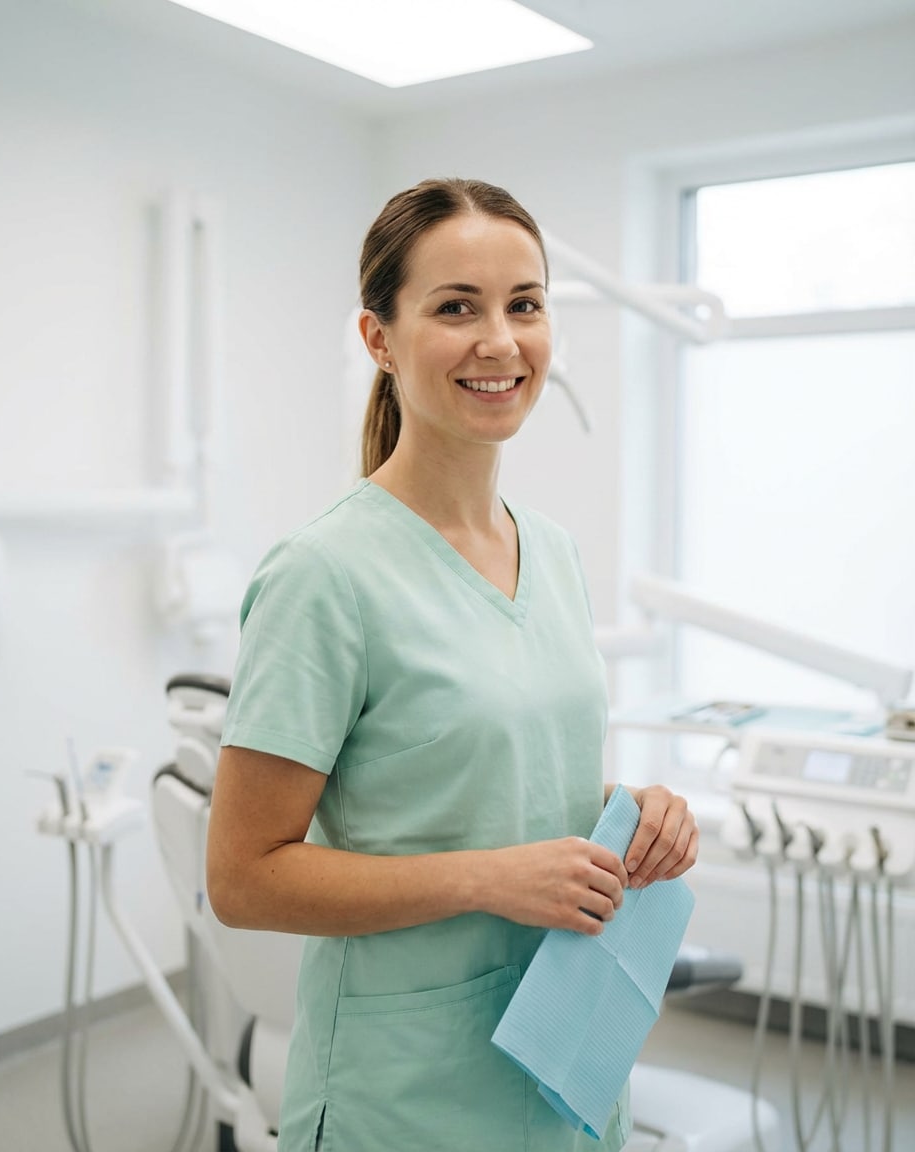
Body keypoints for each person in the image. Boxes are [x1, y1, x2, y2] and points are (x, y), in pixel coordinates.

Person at [206, 177, 699, 1152]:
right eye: (455, 308)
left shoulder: (549, 552)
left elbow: (498, 771)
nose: (500, 340)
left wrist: (632, 811)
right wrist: (483, 880)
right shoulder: (325, 576)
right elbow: (242, 877)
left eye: (524, 304)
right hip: (406, 1091)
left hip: (563, 1056)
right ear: (378, 340)